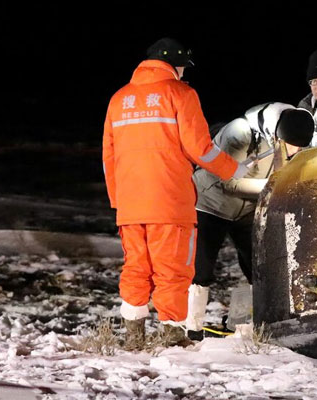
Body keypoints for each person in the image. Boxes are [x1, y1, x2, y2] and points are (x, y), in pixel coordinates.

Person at [102, 37, 249, 349]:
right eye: (183, 67)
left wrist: (119, 200)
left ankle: (134, 337)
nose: (184, 72)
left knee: (136, 268)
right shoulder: (181, 94)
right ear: (175, 65)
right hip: (169, 201)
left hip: (130, 204)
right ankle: (171, 335)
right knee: (173, 269)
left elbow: (108, 157)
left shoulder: (119, 99)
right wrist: (234, 169)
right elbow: (201, 149)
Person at [188, 102, 314, 335]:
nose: (294, 151)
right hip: (211, 203)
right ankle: (191, 327)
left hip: (247, 208)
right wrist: (275, 186)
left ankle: (241, 322)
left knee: (255, 267)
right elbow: (230, 182)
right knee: (202, 268)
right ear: (277, 133)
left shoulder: (294, 131)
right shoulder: (240, 132)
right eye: (291, 146)